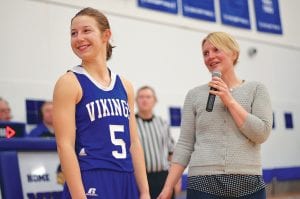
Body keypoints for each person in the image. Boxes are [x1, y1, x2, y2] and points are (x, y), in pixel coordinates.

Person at [158, 32, 273, 199]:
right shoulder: (194, 95)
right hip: (203, 184)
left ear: (234, 53)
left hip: (248, 185)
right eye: (205, 53)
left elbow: (261, 133)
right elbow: (184, 144)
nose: (210, 56)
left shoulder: (256, 89)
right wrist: (168, 187)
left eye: (216, 50)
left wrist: (230, 101)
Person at [53, 7, 150, 199]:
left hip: (127, 178)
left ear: (106, 35)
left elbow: (134, 144)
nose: (78, 38)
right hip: (91, 178)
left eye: (86, 30)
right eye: (73, 33)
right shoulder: (69, 83)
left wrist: (145, 191)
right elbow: (64, 145)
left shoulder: (125, 85)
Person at [135, 86, 180, 199]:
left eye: (148, 97)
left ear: (155, 100)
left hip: (163, 177)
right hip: (140, 179)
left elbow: (172, 153)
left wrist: (176, 179)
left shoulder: (163, 123)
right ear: (136, 100)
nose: (144, 100)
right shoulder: (131, 125)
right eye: (141, 97)